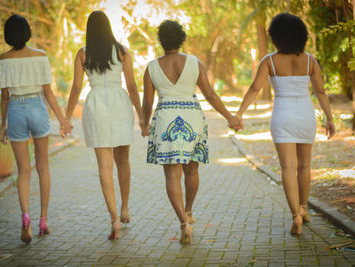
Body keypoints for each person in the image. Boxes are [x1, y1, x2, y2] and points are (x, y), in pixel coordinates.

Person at [141, 20, 241, 244]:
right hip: (192, 118)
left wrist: (144, 123)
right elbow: (211, 95)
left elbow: (147, 102)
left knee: (171, 175)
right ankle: (188, 210)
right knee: (192, 169)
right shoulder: (194, 62)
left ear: (161, 41)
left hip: (166, 118)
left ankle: (183, 224)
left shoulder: (152, 67)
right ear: (181, 39)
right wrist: (230, 117)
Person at [235, 13, 335, 235]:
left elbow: (254, 89)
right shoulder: (310, 61)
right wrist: (329, 118)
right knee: (305, 167)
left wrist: (239, 114)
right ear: (302, 35)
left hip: (282, 116)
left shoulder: (269, 61)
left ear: (276, 37)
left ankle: (295, 216)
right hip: (305, 115)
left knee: (288, 168)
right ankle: (304, 208)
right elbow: (320, 91)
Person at [65, 10, 142, 240]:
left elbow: (77, 88)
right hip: (119, 103)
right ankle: (125, 207)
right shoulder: (122, 51)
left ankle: (114, 219)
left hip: (96, 103)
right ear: (109, 28)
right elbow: (132, 87)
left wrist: (66, 117)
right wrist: (142, 115)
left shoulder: (83, 54)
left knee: (104, 166)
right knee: (123, 160)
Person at [0, 14, 72, 243]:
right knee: (43, 168)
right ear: (27, 32)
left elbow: (5, 96)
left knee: (23, 171)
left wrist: (3, 125)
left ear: (8, 35)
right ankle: (43, 220)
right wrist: (63, 120)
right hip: (36, 108)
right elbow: (48, 92)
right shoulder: (40, 56)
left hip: (16, 112)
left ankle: (26, 218)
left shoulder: (3, 59)